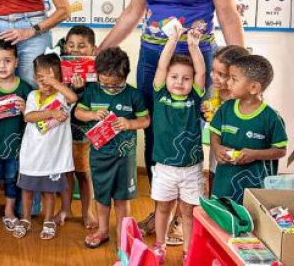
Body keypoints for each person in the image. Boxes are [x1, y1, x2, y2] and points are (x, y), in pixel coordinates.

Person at [99, 0, 245, 236]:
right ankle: (161, 209)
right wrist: (101, 52)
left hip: (195, 58)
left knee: (190, 129)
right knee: (154, 130)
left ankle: (188, 213)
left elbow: (227, 13)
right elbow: (133, 12)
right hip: (154, 57)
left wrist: (242, 63)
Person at [74, 48, 150, 250]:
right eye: (104, 83)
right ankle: (103, 230)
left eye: (115, 85)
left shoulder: (133, 94)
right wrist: (92, 115)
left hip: (125, 157)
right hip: (99, 156)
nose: (110, 87)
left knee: (123, 198)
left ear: (125, 77)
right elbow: (79, 112)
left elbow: (146, 120)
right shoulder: (92, 91)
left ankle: (123, 234)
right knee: (101, 196)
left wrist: (130, 123)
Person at [149, 27, 206, 263]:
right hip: (165, 167)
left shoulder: (195, 97)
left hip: (191, 168)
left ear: (193, 81)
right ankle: (160, 246)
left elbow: (201, 69)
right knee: (163, 208)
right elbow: (162, 65)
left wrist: (193, 45)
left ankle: (187, 252)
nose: (180, 82)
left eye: (186, 78)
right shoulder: (160, 94)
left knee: (188, 213)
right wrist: (173, 39)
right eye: (174, 77)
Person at [209, 55, 288, 204]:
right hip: (223, 185)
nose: (228, 82)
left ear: (253, 88)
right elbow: (215, 132)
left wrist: (255, 154)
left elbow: (281, 150)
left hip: (255, 189)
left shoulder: (271, 117)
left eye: (234, 79)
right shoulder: (226, 109)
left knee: (252, 222)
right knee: (222, 220)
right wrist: (216, 147)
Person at [15, 54, 77, 240]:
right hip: (32, 155)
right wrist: (51, 113)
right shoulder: (32, 96)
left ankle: (48, 220)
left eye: (51, 79)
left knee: (49, 192)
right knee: (27, 190)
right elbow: (29, 117)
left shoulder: (61, 96)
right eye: (42, 79)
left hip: (52, 157)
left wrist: (56, 84)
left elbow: (73, 96)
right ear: (35, 78)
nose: (46, 83)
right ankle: (25, 219)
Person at [0, 39, 33, 234]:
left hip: (17, 148)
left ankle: (9, 211)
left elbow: (34, 120)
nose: (2, 66)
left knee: (12, 179)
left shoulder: (26, 89)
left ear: (17, 62)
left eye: (7, 61)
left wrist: (26, 109)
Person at [60, 25, 98, 230]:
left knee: (83, 173)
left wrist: (81, 89)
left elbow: (94, 102)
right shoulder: (61, 68)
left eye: (82, 46)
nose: (75, 50)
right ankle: (66, 208)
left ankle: (87, 211)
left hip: (83, 133)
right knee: (65, 171)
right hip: (62, 131)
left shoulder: (96, 74)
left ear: (93, 49)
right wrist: (70, 87)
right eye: (71, 45)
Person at [201, 45, 250, 195]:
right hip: (217, 155)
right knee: (216, 188)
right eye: (213, 71)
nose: (214, 77)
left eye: (221, 74)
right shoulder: (213, 91)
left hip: (239, 157)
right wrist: (205, 112)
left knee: (236, 191)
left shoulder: (244, 98)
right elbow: (208, 120)